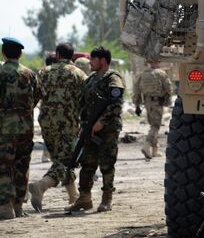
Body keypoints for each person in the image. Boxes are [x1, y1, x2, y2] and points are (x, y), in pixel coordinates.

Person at [29, 42, 87, 211]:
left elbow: (34, 97)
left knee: (59, 159)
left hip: (46, 121)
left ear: (57, 55)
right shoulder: (79, 74)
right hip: (68, 123)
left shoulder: (43, 72)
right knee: (66, 160)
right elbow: (85, 100)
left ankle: (73, 197)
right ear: (72, 55)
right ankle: (41, 186)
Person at [66, 46, 124, 213]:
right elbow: (82, 103)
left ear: (103, 61)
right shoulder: (90, 79)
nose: (90, 62)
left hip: (108, 129)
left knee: (107, 163)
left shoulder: (113, 79)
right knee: (87, 163)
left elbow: (116, 104)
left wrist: (102, 122)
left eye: (93, 59)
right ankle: (84, 198)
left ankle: (107, 199)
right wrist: (83, 124)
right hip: (89, 128)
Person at [0, 37, 41, 219]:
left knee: (4, 167)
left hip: (4, 130)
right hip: (26, 128)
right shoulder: (30, 74)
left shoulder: (1, 73)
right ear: (20, 53)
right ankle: (18, 206)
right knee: (22, 167)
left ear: (3, 53)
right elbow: (38, 96)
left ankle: (5, 207)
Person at [132, 61, 172, 159]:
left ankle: (155, 150)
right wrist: (168, 100)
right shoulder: (161, 73)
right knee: (155, 126)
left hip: (147, 102)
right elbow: (168, 88)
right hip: (157, 102)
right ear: (156, 62)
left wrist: (137, 105)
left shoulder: (142, 74)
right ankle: (147, 145)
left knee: (152, 125)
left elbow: (136, 90)